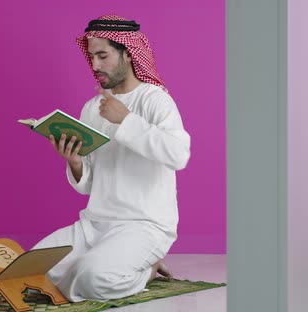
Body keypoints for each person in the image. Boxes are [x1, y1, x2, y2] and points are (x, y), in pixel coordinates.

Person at [31, 14, 191, 302]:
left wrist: (126, 119)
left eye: (102, 56)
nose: (94, 65)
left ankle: (148, 271)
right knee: (28, 271)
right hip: (94, 224)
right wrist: (75, 162)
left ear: (128, 54)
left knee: (92, 277)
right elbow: (90, 185)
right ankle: (107, 263)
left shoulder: (155, 100)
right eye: (91, 56)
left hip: (144, 225)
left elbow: (178, 155)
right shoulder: (93, 108)